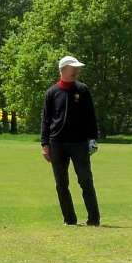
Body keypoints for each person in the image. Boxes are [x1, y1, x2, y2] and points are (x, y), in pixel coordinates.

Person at [41, 56, 101, 227]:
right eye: (73, 67)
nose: (76, 70)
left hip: (79, 143)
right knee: (61, 183)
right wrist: (45, 145)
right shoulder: (52, 92)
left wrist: (92, 139)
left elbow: (91, 117)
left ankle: (94, 218)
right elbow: (45, 120)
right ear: (63, 69)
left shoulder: (83, 90)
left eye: (77, 68)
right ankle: (70, 219)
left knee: (85, 180)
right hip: (57, 143)